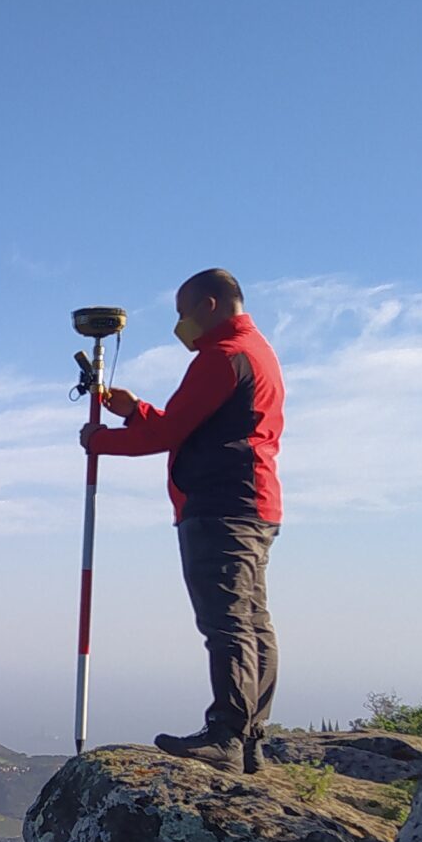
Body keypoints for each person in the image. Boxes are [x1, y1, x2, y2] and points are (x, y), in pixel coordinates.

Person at [82, 267, 284, 773]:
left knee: (227, 623)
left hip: (221, 505)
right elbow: (187, 427)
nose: (180, 325)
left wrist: (99, 440)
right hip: (251, 503)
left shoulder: (222, 357)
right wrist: (135, 412)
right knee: (251, 620)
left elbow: (169, 434)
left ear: (209, 305)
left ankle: (227, 736)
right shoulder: (255, 352)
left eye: (182, 312)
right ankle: (250, 737)